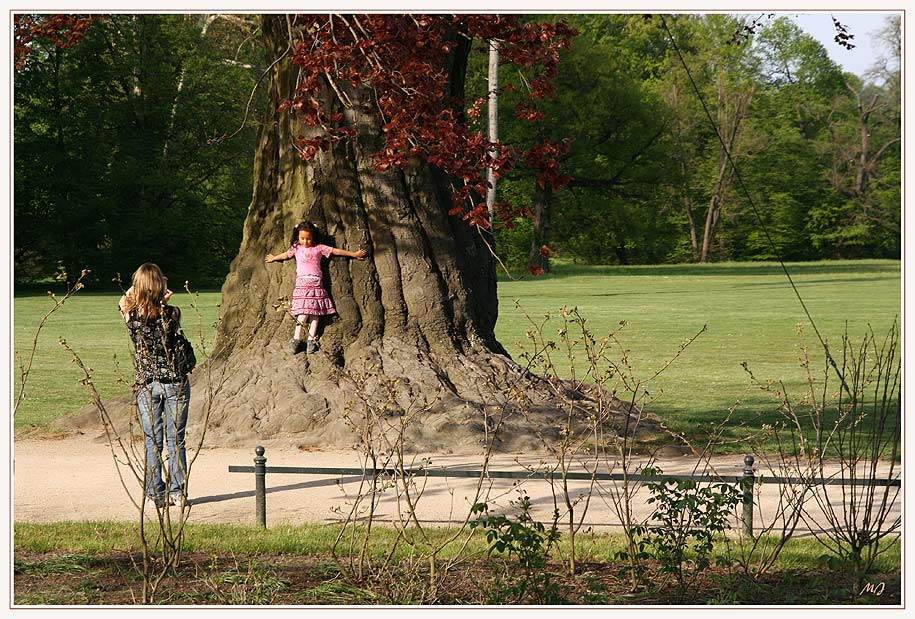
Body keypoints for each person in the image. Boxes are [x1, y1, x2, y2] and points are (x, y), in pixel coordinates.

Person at [118, 263, 190, 509]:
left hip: (148, 384)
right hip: (175, 384)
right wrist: (161, 290)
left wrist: (140, 288)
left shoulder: (131, 318)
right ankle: (178, 491)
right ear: (161, 288)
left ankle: (155, 494)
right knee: (176, 440)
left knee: (152, 440)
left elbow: (123, 300)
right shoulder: (172, 314)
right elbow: (162, 312)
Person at [265, 221, 368, 354]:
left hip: (316, 283)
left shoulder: (319, 248)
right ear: (297, 237)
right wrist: (274, 258)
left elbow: (336, 251)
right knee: (303, 312)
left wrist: (354, 254)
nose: (305, 241)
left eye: (308, 238)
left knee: (315, 313)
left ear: (313, 237)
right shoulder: (296, 248)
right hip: (302, 284)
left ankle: (311, 339)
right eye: (302, 238)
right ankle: (296, 338)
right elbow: (286, 254)